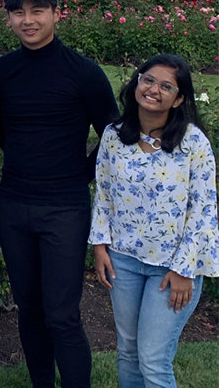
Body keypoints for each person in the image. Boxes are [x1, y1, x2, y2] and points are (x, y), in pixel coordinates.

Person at [0, 0, 119, 388]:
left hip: (65, 206)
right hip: (14, 202)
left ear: (56, 14)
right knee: (30, 308)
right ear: (9, 18)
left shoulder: (83, 72)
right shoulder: (0, 71)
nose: (28, 20)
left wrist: (79, 172)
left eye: (37, 10)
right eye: (19, 12)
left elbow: (112, 135)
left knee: (62, 313)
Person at [90, 54, 217, 388]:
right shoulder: (114, 135)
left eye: (166, 86)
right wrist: (100, 245)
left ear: (178, 99)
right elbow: (103, 193)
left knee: (153, 358)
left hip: (171, 268)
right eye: (148, 80)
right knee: (128, 352)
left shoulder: (193, 143)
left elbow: (204, 210)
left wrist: (184, 270)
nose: (153, 90)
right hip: (124, 261)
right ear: (136, 83)